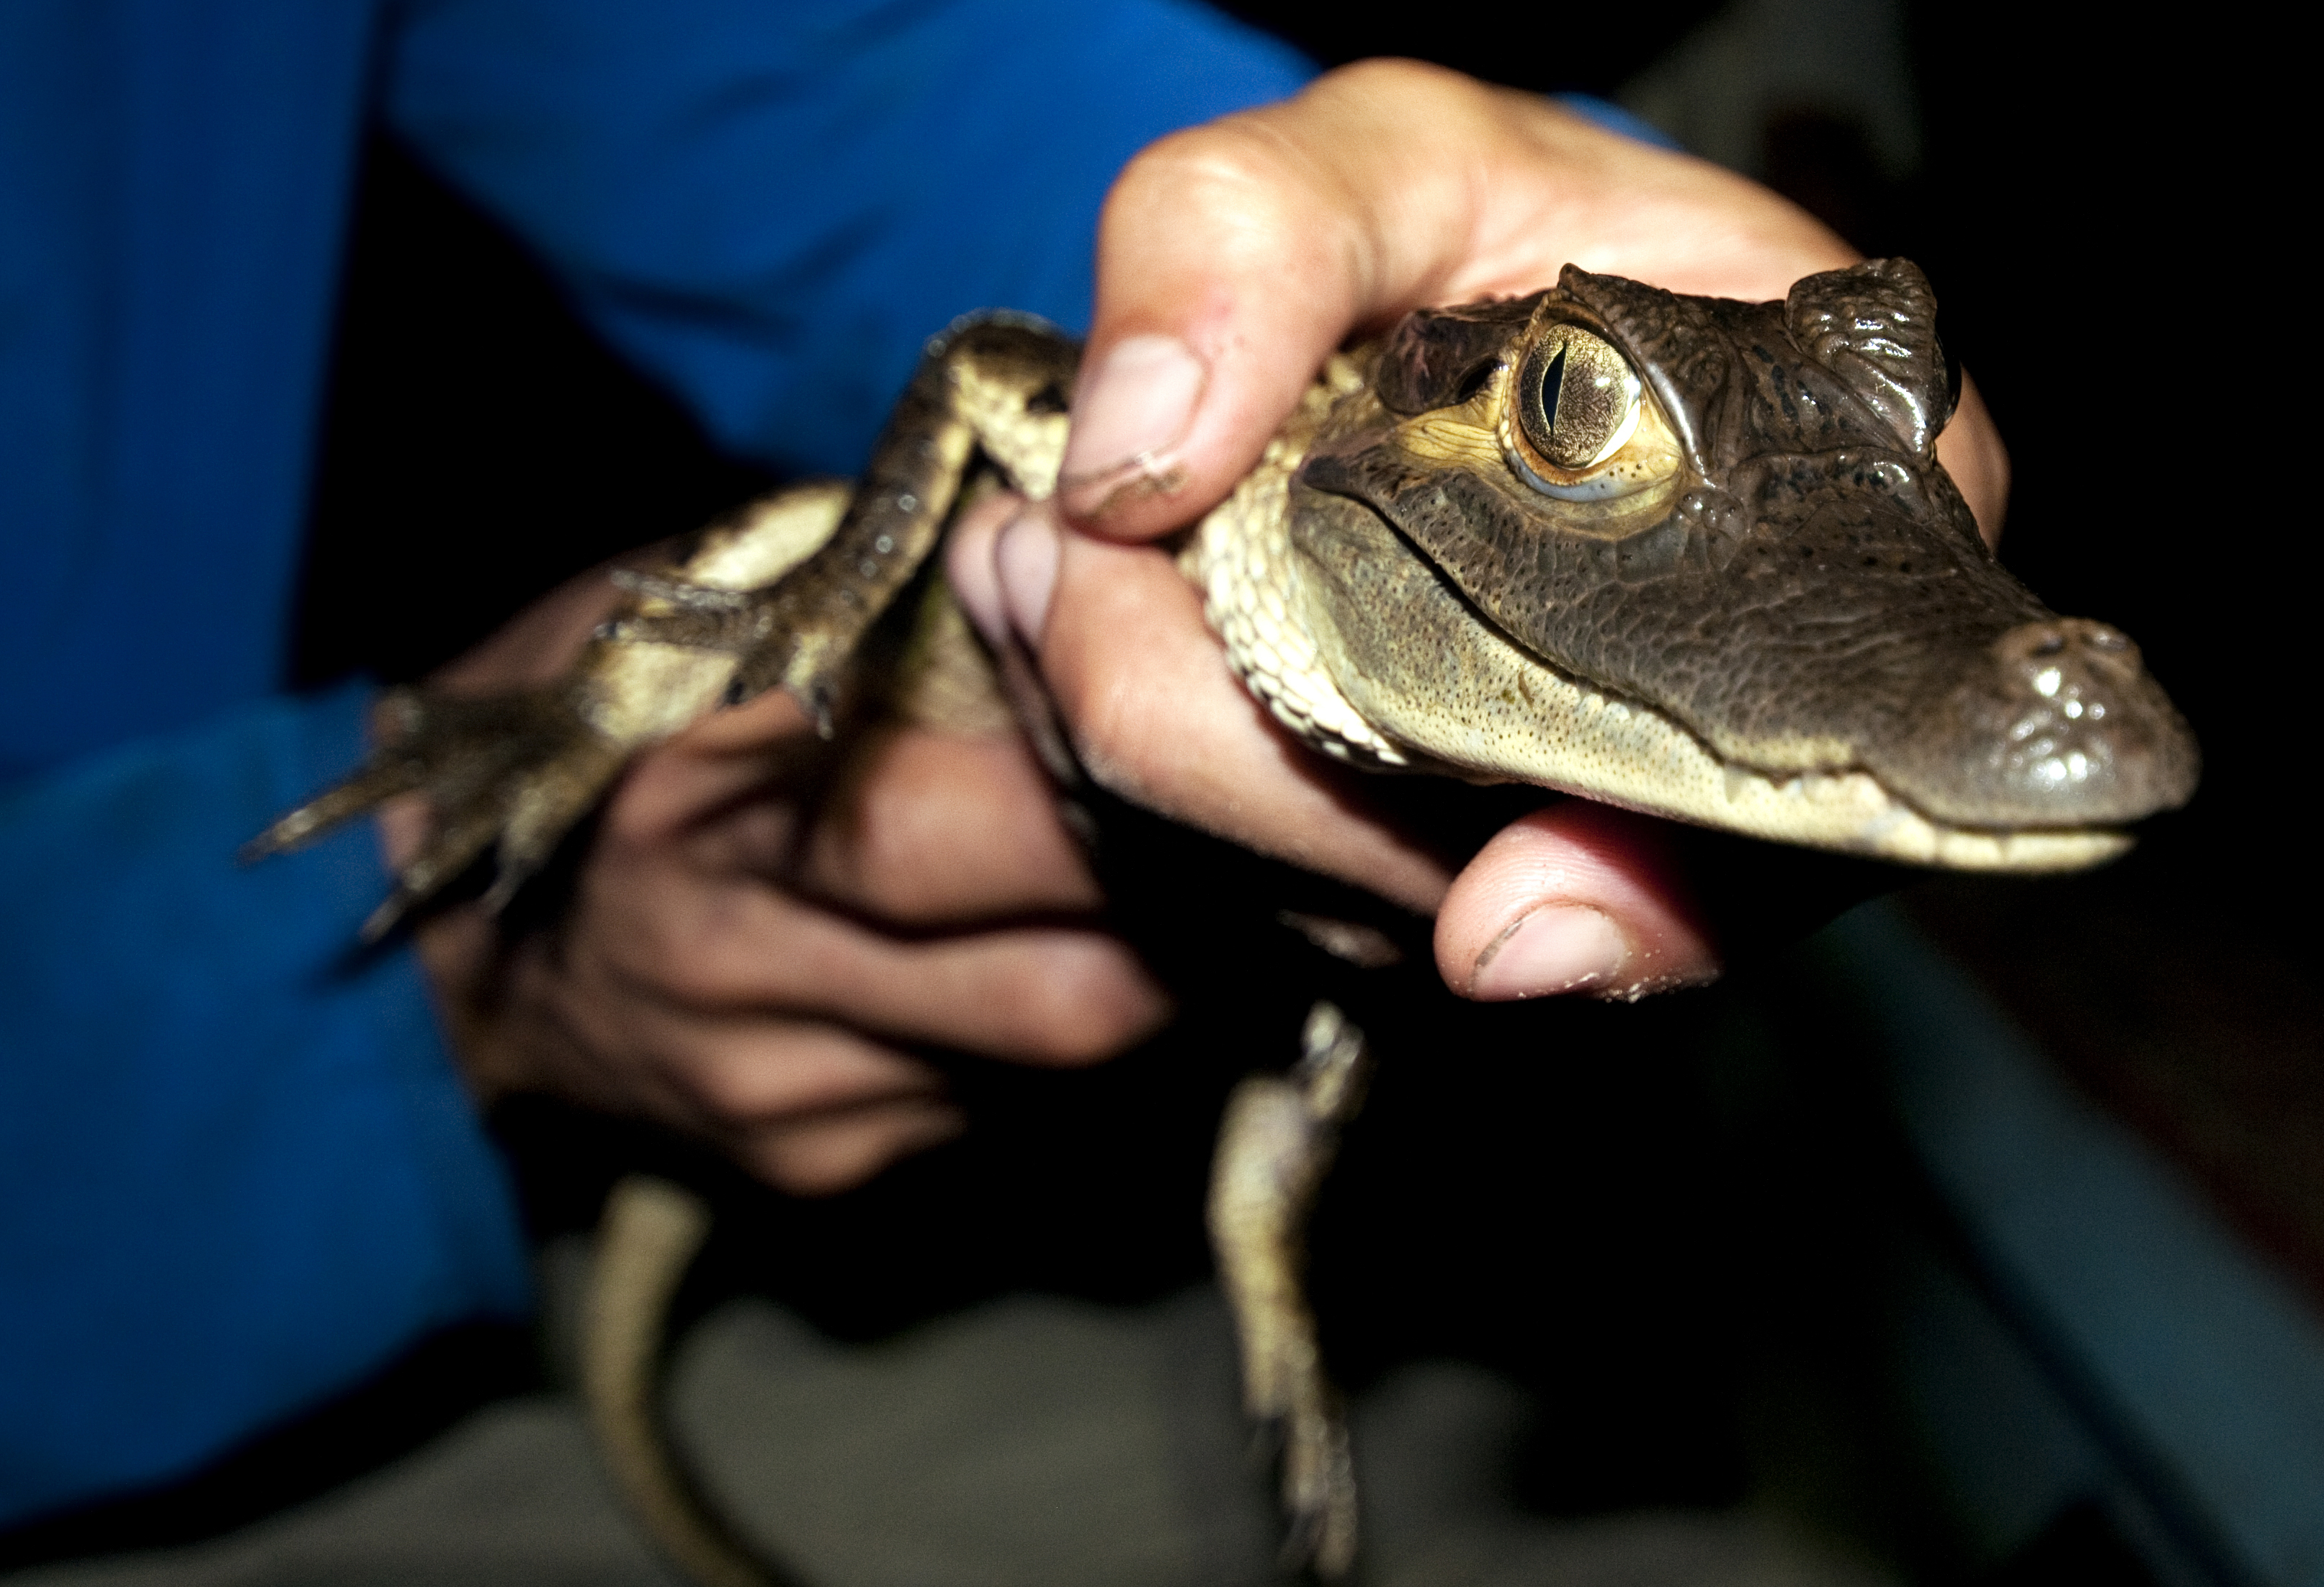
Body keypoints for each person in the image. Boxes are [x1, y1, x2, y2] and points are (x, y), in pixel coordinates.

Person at [0, 0, 2010, 1535]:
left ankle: (1274, 1330)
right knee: (713, 593)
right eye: (1565, 408)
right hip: (147, 1254)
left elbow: (814, 77)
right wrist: (437, 991)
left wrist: (1424, 189)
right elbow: (976, 377)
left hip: (1076, 1080)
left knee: (1327, 1070)